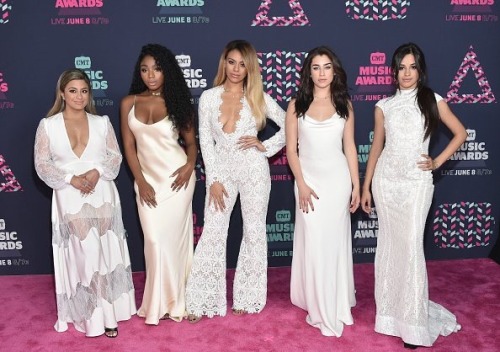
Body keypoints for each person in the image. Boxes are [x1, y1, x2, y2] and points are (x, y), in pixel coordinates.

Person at [360, 42, 466, 349]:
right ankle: (391, 316)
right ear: (394, 72)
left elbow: (460, 132)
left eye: (412, 67)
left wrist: (436, 161)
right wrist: (367, 186)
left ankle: (414, 322)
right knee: (390, 248)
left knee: (410, 249)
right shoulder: (383, 106)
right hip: (386, 183)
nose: (407, 73)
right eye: (401, 67)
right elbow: (377, 147)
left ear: (420, 70)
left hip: (417, 183)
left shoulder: (433, 100)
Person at [185, 39, 286, 322]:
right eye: (232, 62)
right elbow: (205, 139)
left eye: (243, 64)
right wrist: (213, 179)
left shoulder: (258, 97)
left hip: (254, 169)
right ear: (224, 63)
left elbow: (291, 125)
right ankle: (202, 299)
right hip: (222, 171)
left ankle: (248, 296)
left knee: (254, 232)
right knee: (214, 231)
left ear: (250, 67)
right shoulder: (208, 97)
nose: (236, 69)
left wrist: (265, 146)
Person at [34, 69, 136, 338]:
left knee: (105, 252)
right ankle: (92, 318)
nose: (79, 96)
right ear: (62, 93)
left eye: (84, 91)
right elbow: (42, 164)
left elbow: (114, 156)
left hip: (102, 192)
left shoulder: (102, 122)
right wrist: (71, 178)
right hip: (69, 194)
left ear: (89, 94)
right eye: (72, 91)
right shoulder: (48, 125)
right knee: (86, 254)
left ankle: (109, 316)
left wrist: (95, 172)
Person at [120, 44, 197, 325]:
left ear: (167, 71)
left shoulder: (177, 102)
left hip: (177, 181)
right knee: (153, 240)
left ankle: (177, 300)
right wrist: (141, 182)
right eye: (145, 69)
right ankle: (157, 303)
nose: (150, 75)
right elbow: (129, 148)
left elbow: (191, 145)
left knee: (172, 243)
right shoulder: (128, 103)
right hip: (147, 182)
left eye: (157, 68)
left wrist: (190, 167)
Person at [286, 46, 359, 337]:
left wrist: (355, 184)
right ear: (308, 72)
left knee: (333, 243)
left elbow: (350, 147)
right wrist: (302, 183)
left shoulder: (345, 105)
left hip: (338, 181)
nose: (322, 73)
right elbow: (291, 150)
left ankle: (336, 299)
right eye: (316, 67)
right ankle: (317, 303)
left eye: (327, 67)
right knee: (315, 242)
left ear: (334, 70)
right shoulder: (296, 105)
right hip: (308, 182)